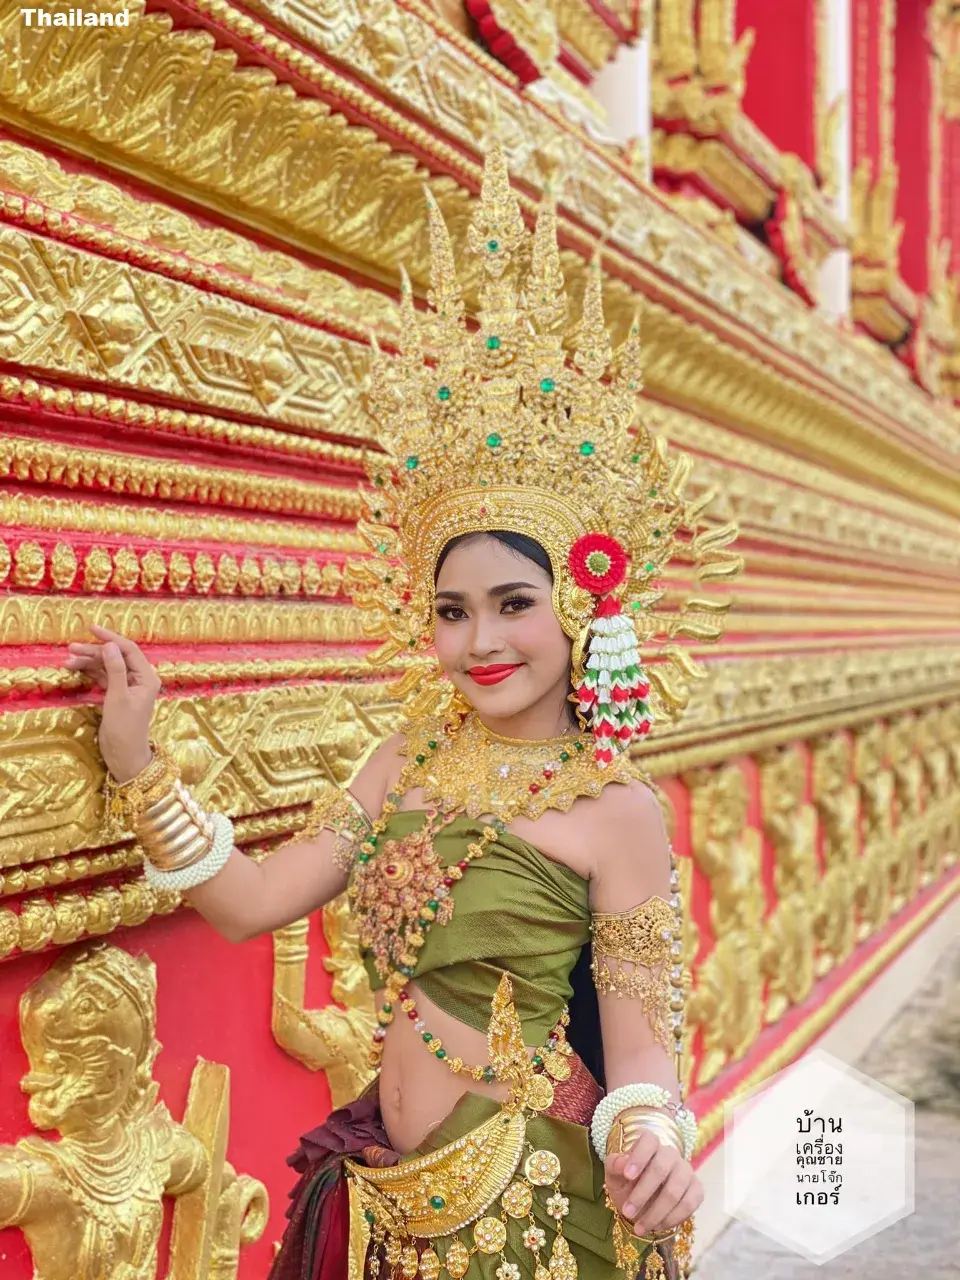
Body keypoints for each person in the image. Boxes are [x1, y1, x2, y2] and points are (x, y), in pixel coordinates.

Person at [63, 146, 740, 1280]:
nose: (480, 642)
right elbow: (252, 901)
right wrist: (139, 765)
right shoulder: (403, 759)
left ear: (580, 606)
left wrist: (654, 1139)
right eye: (452, 609)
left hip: (529, 1203)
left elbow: (641, 1057)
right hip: (385, 1189)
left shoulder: (615, 808)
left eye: (515, 604)